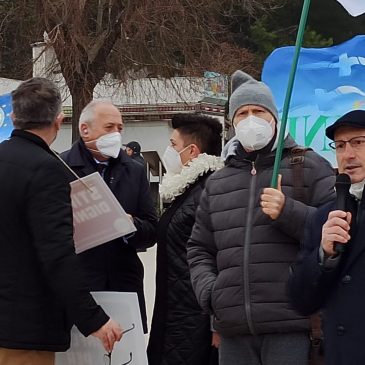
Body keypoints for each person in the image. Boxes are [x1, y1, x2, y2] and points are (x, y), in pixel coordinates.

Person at [187, 70, 336, 365]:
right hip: (234, 331)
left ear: (274, 118)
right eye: (242, 113)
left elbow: (337, 231)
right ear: (232, 123)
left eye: (258, 111)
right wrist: (211, 293)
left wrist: (287, 211)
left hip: (291, 324)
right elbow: (199, 248)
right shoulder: (218, 182)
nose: (251, 119)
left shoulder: (309, 166)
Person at [0, 78, 122, 365]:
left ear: (15, 117)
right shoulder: (48, 170)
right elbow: (56, 254)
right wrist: (94, 319)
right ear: (59, 120)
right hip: (24, 327)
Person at [61, 100, 158, 333]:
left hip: (123, 283)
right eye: (109, 127)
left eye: (120, 128)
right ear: (85, 129)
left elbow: (152, 230)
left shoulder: (133, 170)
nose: (116, 134)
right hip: (81, 286)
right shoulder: (62, 167)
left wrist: (131, 225)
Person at [288, 110, 365, 365]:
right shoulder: (323, 216)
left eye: (358, 142)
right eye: (340, 146)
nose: (348, 155)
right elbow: (301, 301)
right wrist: (323, 257)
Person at [147, 114, 224, 365]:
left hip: (194, 319)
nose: (168, 151)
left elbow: (220, 257)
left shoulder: (209, 191)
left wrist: (217, 322)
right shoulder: (187, 190)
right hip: (177, 313)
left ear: (191, 151)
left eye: (172, 145)